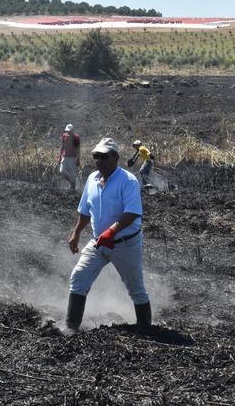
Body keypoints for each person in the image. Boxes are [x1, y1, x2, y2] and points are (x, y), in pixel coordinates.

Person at [65, 137, 151, 331]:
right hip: (99, 242)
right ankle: (70, 328)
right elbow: (85, 211)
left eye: (104, 157)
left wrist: (111, 231)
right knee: (78, 277)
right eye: (96, 156)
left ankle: (147, 330)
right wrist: (76, 232)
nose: (99, 161)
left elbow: (132, 212)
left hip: (125, 244)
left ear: (116, 157)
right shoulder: (92, 179)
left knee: (136, 289)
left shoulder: (128, 180)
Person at [57, 124, 81, 190]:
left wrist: (78, 159)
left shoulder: (76, 137)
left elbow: (78, 148)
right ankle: (71, 182)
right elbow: (62, 147)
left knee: (72, 174)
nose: (68, 132)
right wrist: (60, 157)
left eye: (69, 131)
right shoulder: (64, 136)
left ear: (72, 130)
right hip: (65, 157)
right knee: (62, 172)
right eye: (67, 131)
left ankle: (73, 188)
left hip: (72, 158)